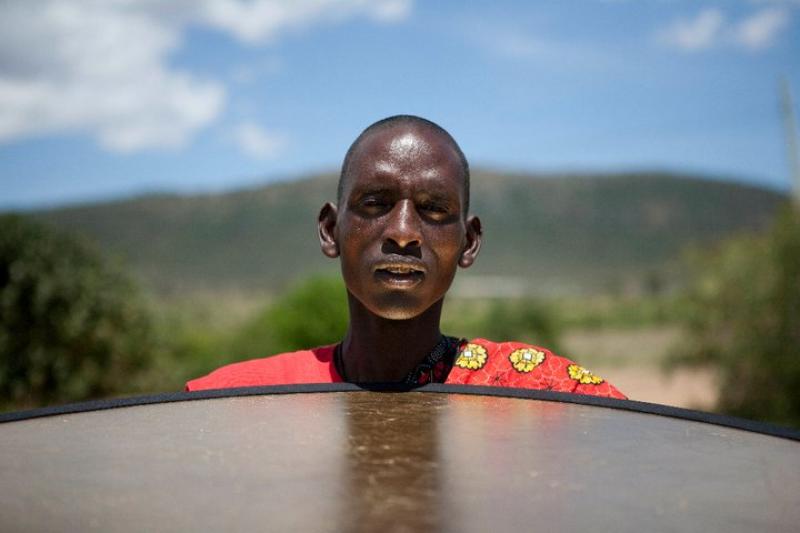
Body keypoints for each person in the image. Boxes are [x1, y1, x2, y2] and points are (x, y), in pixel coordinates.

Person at [186, 115, 625, 399]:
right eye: (376, 203)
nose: (402, 233)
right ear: (329, 230)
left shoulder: (538, 393)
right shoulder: (238, 399)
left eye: (434, 209)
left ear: (469, 242)